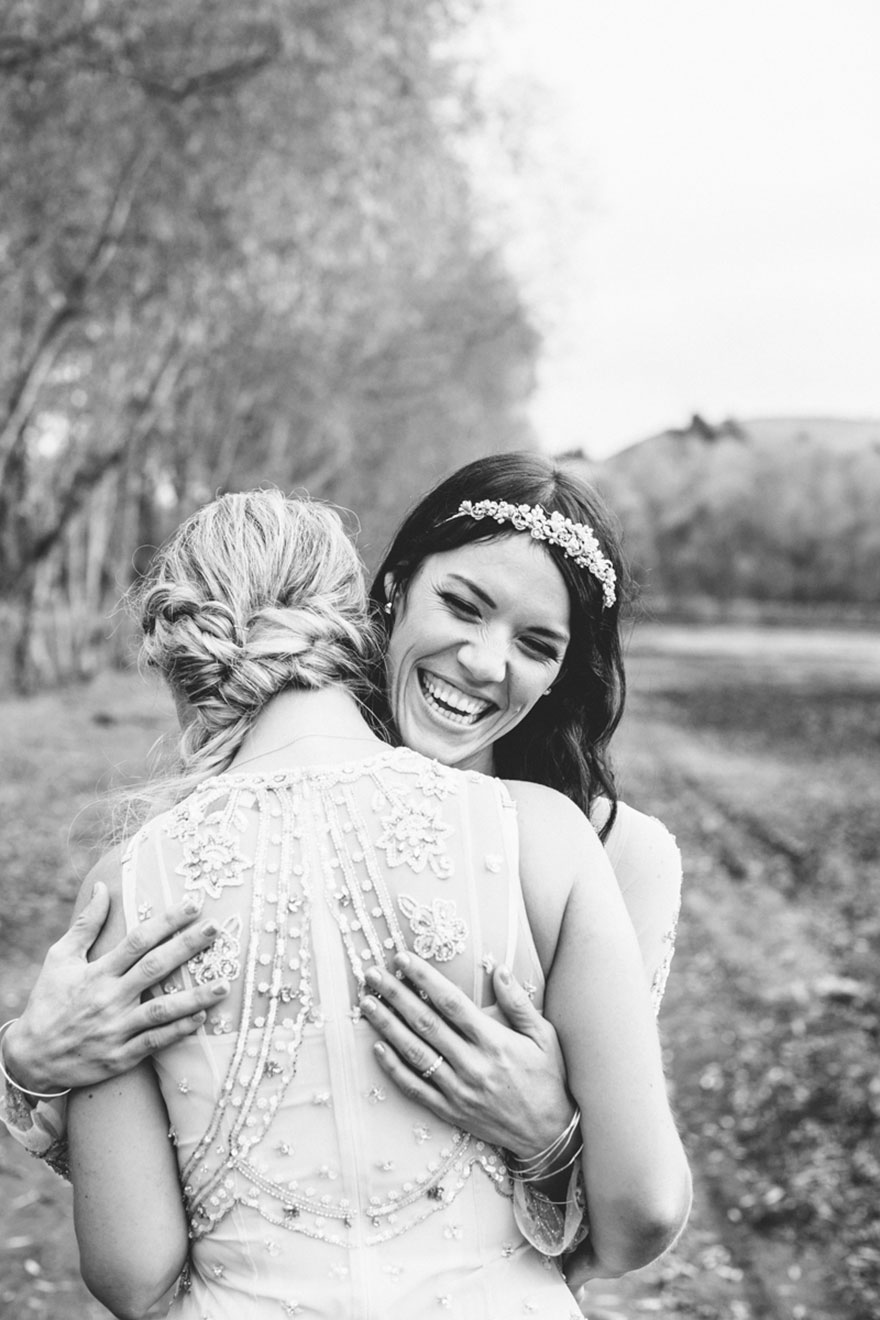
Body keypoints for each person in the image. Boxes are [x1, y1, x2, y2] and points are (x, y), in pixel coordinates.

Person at [1, 454, 683, 1283]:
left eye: (536, 645)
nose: (484, 663)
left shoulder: (617, 856)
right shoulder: (525, 836)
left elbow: (623, 1212)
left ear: (560, 674)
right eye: (462, 606)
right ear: (390, 591)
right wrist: (31, 1066)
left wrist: (550, 1137)